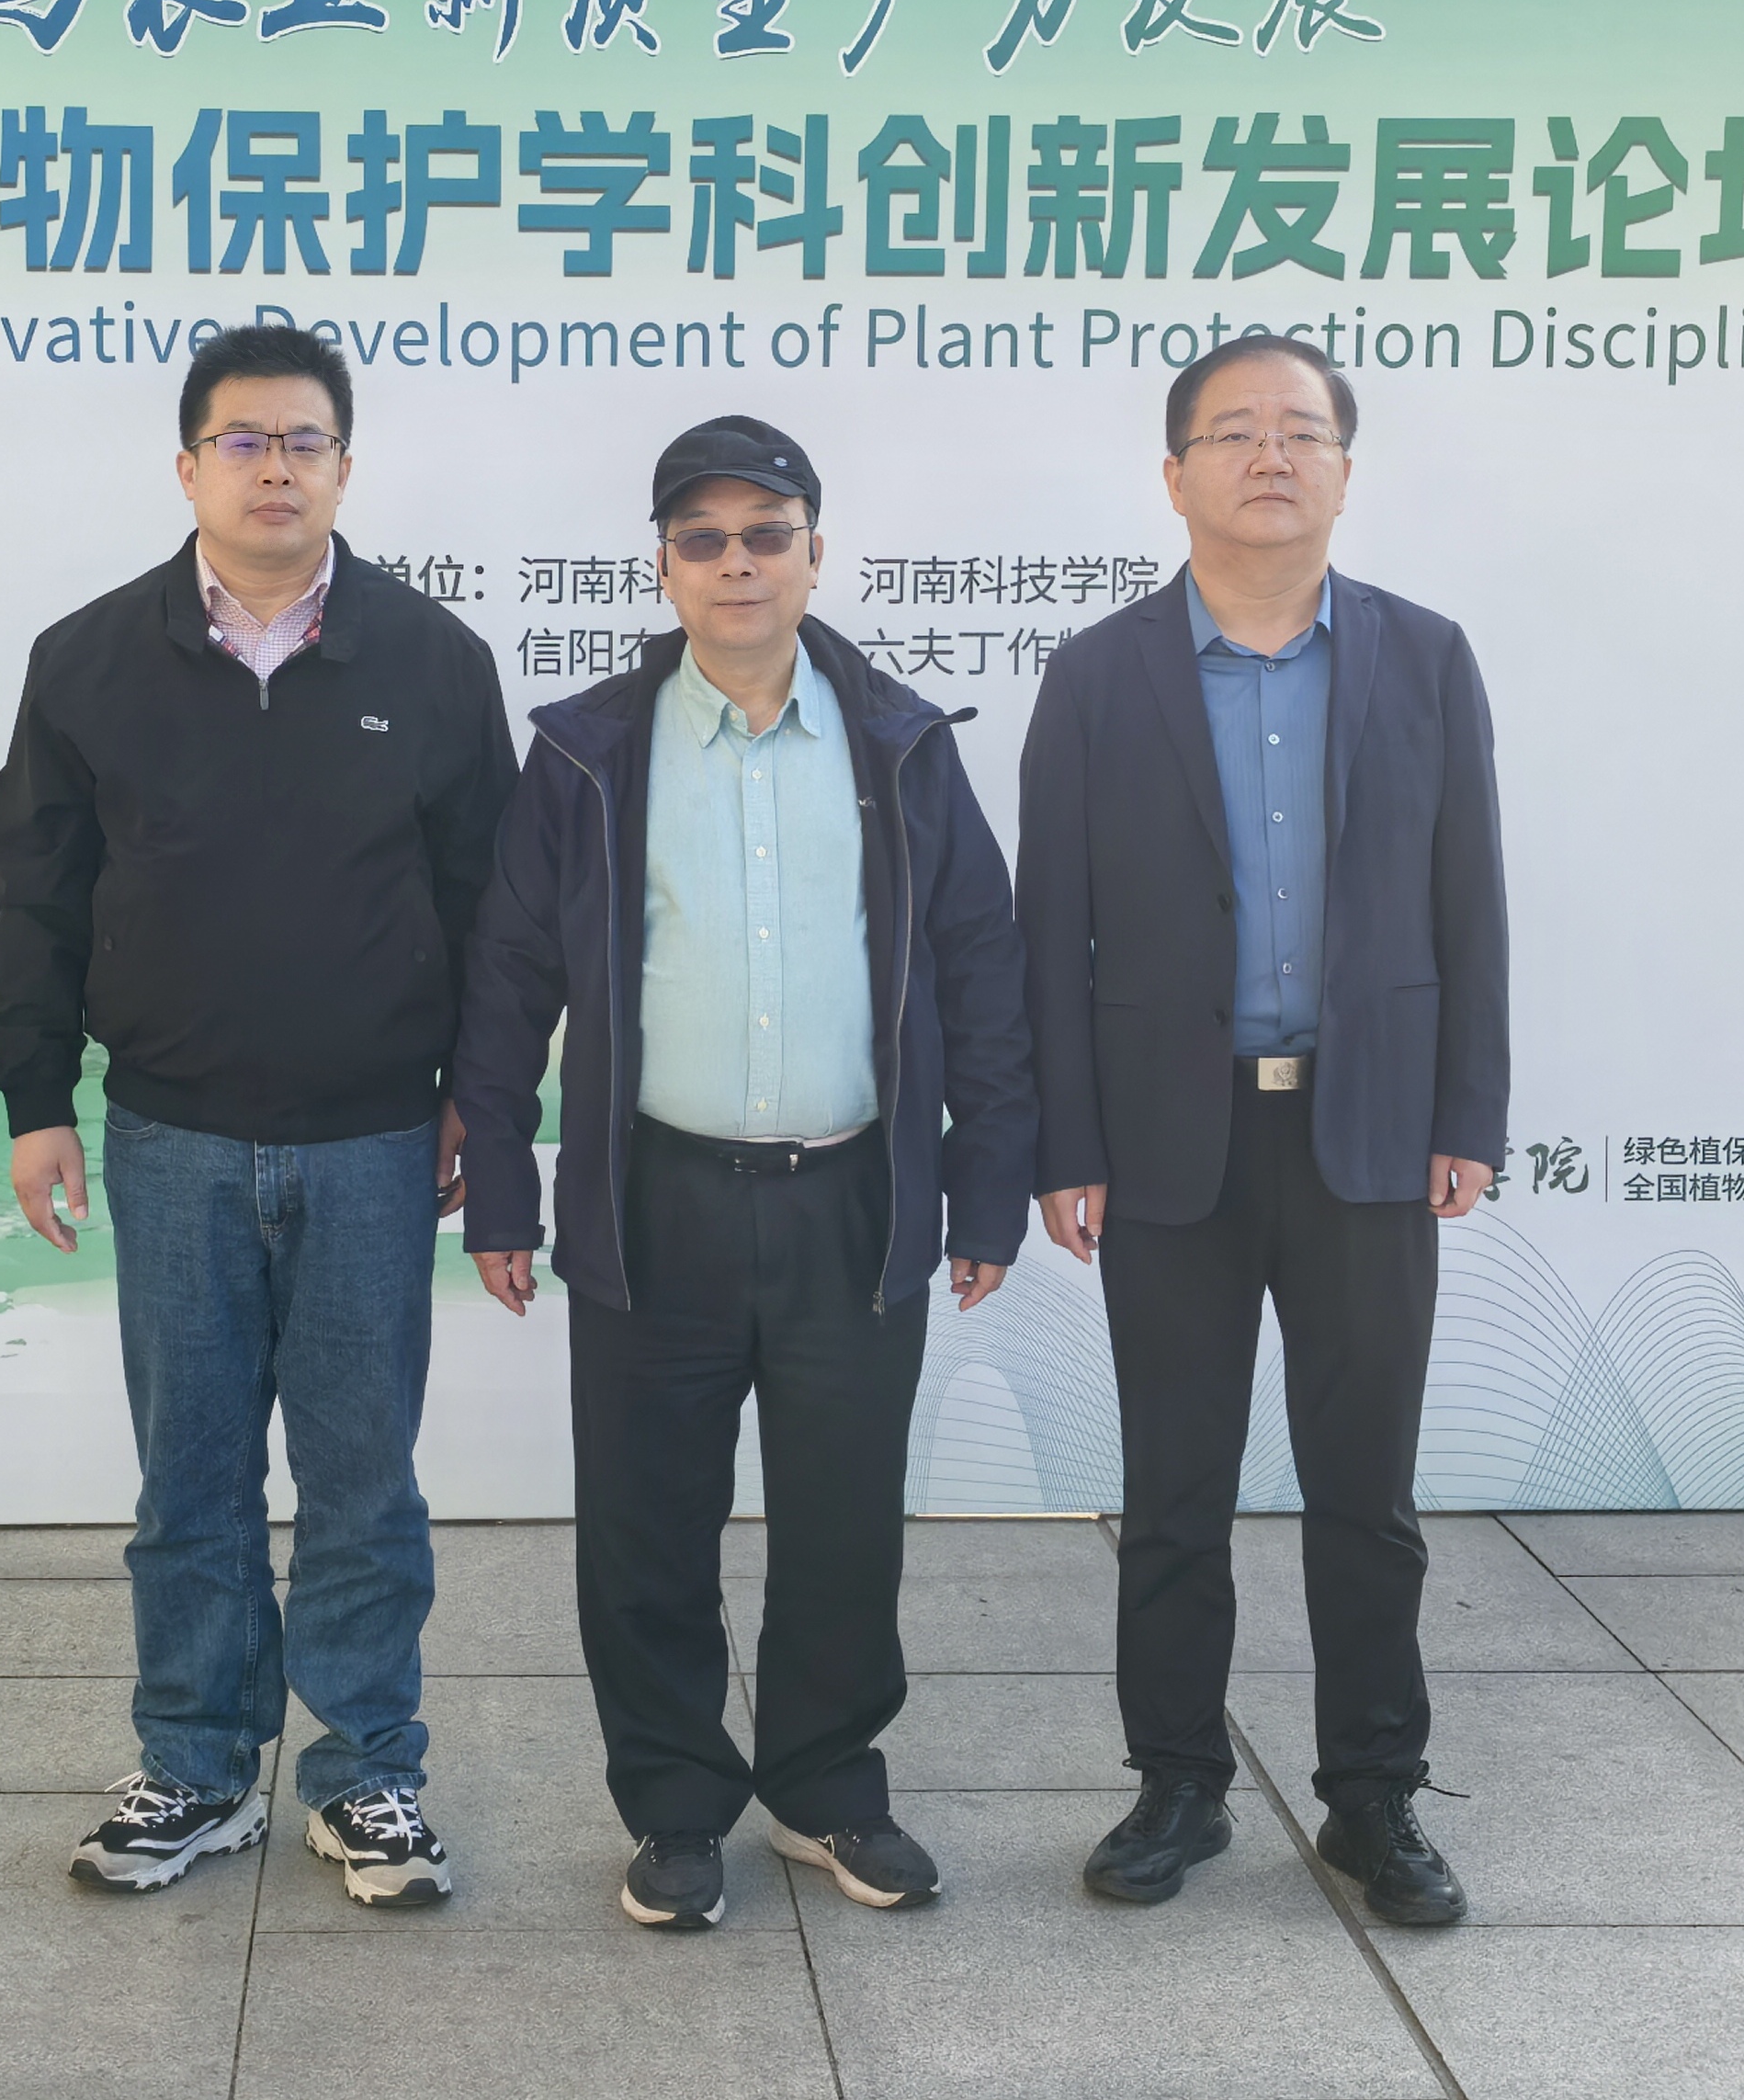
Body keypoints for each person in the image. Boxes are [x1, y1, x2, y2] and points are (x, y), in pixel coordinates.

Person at [455, 414, 1035, 1930]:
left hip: (855, 1200)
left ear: (813, 554)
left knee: (844, 1520)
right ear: (661, 565)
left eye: (765, 534)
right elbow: (507, 975)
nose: (736, 563)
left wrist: (987, 1186)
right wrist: (502, 1185)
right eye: (702, 538)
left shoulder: (899, 741)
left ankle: (827, 1785)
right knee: (644, 1524)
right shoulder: (589, 751)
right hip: (655, 1202)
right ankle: (672, 1802)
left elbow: (981, 963)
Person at [0, 324, 519, 1905]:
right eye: (242, 440)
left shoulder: (433, 661)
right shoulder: (86, 660)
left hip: (373, 1139)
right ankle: (199, 1765)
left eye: (302, 440)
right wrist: (35, 1097)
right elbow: (37, 897)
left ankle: (367, 1775)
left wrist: (478, 1100)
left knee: (363, 1479)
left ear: (344, 466)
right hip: (171, 1134)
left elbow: (491, 908)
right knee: (191, 1478)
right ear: (187, 466)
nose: (273, 466)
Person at [1018, 337, 1508, 1925]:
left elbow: (1468, 898)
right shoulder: (1098, 675)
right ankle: (1176, 1782)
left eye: (1301, 430)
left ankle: (1373, 1795)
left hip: (1366, 1133)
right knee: (1174, 1489)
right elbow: (1050, 930)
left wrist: (1468, 1108)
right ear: (1174, 476)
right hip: (1172, 1142)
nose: (1269, 455)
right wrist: (1062, 1141)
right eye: (1232, 432)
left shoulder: (1423, 657)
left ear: (1345, 471)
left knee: (1366, 1492)